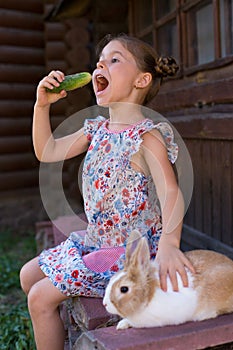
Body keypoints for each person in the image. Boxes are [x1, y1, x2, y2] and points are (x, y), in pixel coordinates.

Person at [20, 33, 195, 350]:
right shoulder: (96, 129)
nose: (101, 63)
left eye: (115, 59)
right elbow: (46, 151)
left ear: (141, 80)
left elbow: (171, 191)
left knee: (39, 296)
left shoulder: (146, 137)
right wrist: (40, 105)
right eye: (100, 59)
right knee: (27, 275)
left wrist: (170, 244)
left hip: (130, 253)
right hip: (99, 241)